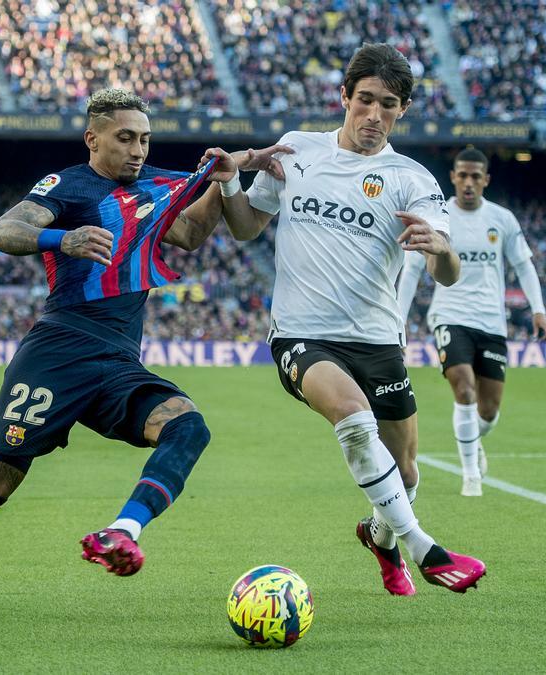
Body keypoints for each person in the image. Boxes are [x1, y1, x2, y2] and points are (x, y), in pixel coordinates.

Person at [0, 88, 290, 618]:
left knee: (188, 426)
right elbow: (2, 231)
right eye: (125, 138)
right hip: (57, 353)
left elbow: (192, 233)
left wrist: (225, 181)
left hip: (118, 364)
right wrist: (62, 239)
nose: (137, 150)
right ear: (93, 138)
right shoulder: (69, 184)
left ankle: (122, 531)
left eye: (145, 140)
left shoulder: (152, 189)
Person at [203, 43, 486, 596]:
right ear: (343, 98)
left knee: (404, 475)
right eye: (364, 101)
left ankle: (380, 538)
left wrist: (441, 250)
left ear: (402, 110)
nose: (374, 116)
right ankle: (426, 548)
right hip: (301, 336)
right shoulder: (297, 151)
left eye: (388, 104)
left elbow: (446, 272)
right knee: (353, 418)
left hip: (378, 341)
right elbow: (245, 227)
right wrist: (230, 181)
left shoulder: (411, 178)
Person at [397, 146, 546, 497]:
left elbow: (524, 265)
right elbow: (412, 271)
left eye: (475, 176)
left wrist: (538, 309)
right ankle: (471, 477)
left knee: (490, 411)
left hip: (491, 322)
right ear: (453, 177)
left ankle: (473, 442)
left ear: (486, 180)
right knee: (464, 389)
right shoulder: (439, 218)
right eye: (462, 175)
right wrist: (398, 318)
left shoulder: (503, 219)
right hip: (450, 316)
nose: (468, 182)